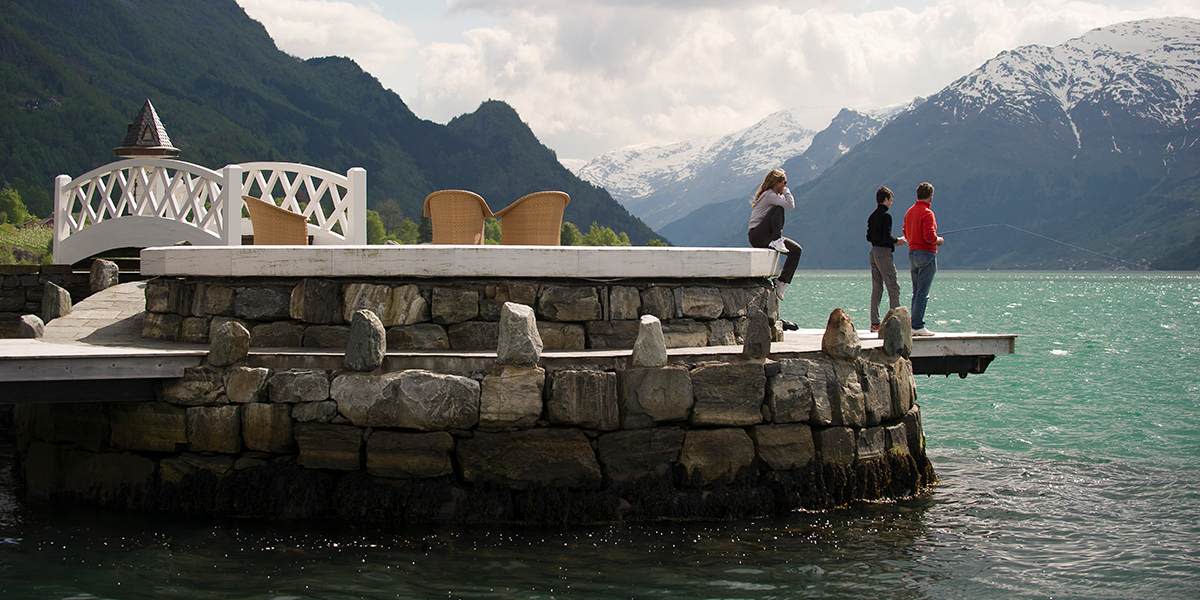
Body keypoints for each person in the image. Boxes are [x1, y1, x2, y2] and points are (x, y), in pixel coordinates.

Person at [747, 167, 801, 330]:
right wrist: (787, 191)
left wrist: (784, 190)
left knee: (796, 250)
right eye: (784, 182)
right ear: (777, 182)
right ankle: (777, 240)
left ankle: (781, 282)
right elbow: (790, 205)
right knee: (779, 209)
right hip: (757, 235)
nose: (785, 184)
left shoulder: (772, 195)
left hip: (766, 235)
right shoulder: (770, 195)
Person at [902, 181, 944, 336]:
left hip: (912, 253)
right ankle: (918, 325)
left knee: (916, 291)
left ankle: (913, 325)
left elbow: (905, 232)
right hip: (926, 254)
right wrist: (938, 240)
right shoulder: (927, 213)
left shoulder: (909, 212)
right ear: (930, 196)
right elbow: (929, 236)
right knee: (923, 292)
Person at [866, 185, 905, 333]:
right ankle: (894, 322)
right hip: (883, 254)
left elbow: (869, 236)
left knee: (877, 288)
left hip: (873, 252)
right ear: (886, 199)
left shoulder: (872, 216)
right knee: (893, 286)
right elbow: (886, 237)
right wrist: (897, 241)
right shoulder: (886, 216)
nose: (892, 202)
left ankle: (874, 323)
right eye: (891, 199)